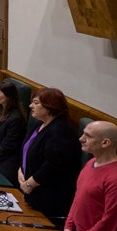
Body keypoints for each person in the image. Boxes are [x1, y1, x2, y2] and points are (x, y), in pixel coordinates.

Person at [18, 87, 81, 221]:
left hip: (49, 199)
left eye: (35, 103)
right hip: (31, 192)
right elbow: (27, 151)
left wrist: (30, 183)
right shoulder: (40, 125)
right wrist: (21, 170)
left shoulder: (61, 131)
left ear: (50, 107)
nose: (30, 106)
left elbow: (53, 165)